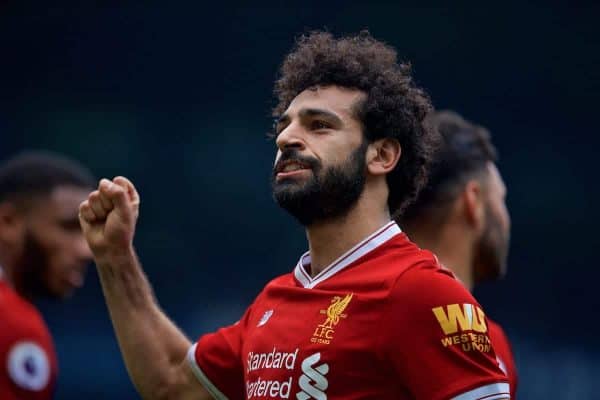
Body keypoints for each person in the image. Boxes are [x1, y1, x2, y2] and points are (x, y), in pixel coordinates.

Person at [79, 31, 510, 400]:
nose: (287, 137)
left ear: (381, 155)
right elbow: (172, 382)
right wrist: (115, 257)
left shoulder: (421, 292)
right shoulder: (274, 301)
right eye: (285, 125)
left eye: (319, 125)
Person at [398, 110, 518, 396]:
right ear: (473, 201)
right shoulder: (485, 343)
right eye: (501, 199)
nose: (506, 218)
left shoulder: (351, 306)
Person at [0, 151, 95, 399]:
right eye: (68, 227)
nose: (87, 250)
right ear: (8, 222)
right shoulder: (13, 324)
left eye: (89, 230)